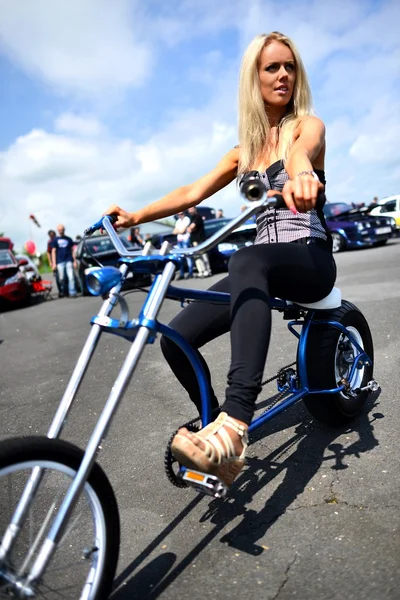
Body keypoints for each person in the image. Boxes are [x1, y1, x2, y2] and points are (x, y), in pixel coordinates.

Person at [102, 32, 336, 488]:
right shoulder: (242, 152)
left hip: (308, 258)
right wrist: (135, 215)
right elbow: (191, 192)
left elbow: (302, 153)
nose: (284, 74)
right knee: (176, 336)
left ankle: (235, 424)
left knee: (245, 258)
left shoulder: (305, 127)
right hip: (263, 268)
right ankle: (215, 436)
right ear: (254, 78)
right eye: (272, 67)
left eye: (290, 66)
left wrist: (304, 174)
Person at [51, 224, 77, 298]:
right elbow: (53, 251)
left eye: (62, 229)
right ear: (58, 231)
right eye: (59, 230)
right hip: (59, 261)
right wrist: (54, 263)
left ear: (64, 230)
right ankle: (64, 291)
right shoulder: (55, 240)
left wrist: (74, 261)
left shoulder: (69, 239)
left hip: (68, 259)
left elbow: (72, 250)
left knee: (71, 276)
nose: (61, 231)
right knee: (61, 278)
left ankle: (72, 292)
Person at [187, 206, 212, 277]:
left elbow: (191, 227)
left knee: (203, 255)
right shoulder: (191, 218)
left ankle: (207, 270)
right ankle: (201, 271)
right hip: (194, 241)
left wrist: (189, 228)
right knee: (197, 257)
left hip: (200, 240)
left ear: (195, 209)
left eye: (191, 209)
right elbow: (189, 228)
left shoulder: (197, 217)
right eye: (189, 209)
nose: (190, 211)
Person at [173, 211, 193, 279]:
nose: (180, 215)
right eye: (178, 214)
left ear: (183, 214)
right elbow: (174, 231)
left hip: (185, 240)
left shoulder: (186, 219)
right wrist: (179, 231)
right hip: (179, 241)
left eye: (181, 214)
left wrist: (178, 231)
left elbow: (182, 231)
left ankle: (190, 273)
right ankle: (182, 274)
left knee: (188, 256)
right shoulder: (178, 221)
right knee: (180, 257)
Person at [47, 230, 62, 295]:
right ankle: (60, 290)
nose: (52, 236)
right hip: (54, 261)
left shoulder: (58, 240)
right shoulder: (49, 242)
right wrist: (50, 262)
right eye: (51, 235)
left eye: (53, 235)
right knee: (57, 277)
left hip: (61, 259)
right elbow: (48, 252)